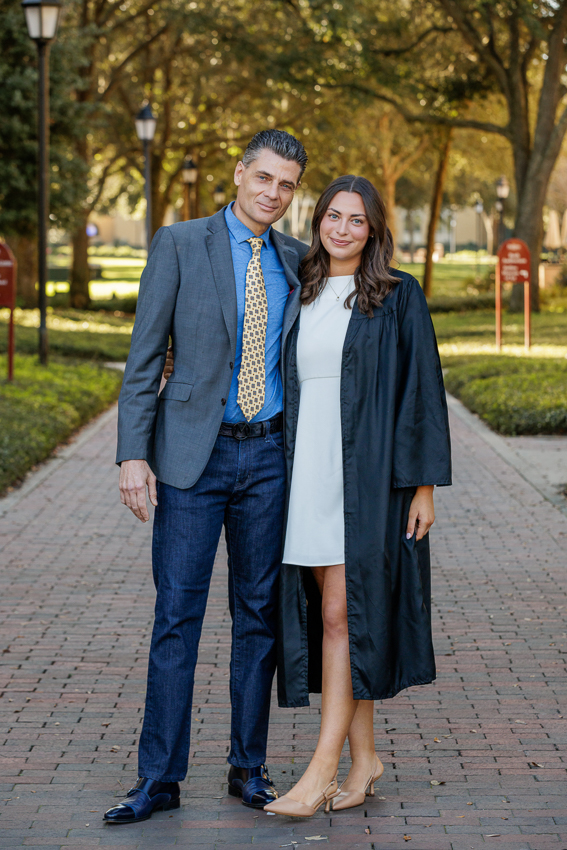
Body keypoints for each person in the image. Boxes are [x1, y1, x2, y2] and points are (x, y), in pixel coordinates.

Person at [105, 129, 309, 825]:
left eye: (286, 185)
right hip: (192, 459)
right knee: (176, 618)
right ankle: (158, 776)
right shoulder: (180, 243)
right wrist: (134, 455)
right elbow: (142, 360)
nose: (273, 194)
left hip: (269, 460)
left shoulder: (298, 259)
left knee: (257, 619)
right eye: (264, 179)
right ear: (238, 173)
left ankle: (247, 767)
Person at [262, 175, 452, 817]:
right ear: (318, 220)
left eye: (357, 221)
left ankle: (319, 771)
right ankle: (365, 757)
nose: (342, 229)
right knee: (341, 617)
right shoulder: (303, 288)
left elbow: (422, 389)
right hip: (306, 473)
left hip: (366, 478)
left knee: (344, 613)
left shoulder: (398, 296)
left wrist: (423, 486)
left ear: (373, 231)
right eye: (333, 217)